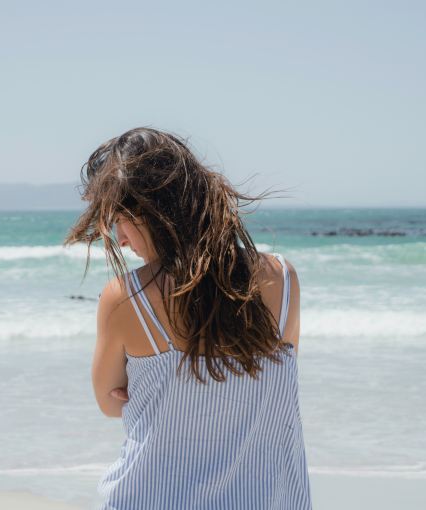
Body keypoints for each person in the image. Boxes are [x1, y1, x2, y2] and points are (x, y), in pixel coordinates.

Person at [63, 127, 312, 509]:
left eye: (120, 219)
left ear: (150, 211)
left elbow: (111, 403)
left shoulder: (127, 298)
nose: (121, 238)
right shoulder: (282, 279)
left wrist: (145, 390)